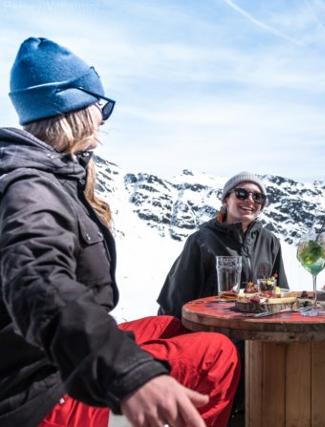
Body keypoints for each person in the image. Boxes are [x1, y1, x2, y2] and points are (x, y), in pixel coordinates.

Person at [0, 37, 240, 427]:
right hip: (39, 391)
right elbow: (37, 279)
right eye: (102, 106)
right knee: (215, 352)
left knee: (173, 326)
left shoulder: (44, 170)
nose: (104, 119)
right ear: (76, 108)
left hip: (43, 357)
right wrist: (131, 376)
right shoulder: (32, 185)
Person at [157, 171, 288, 317]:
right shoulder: (201, 241)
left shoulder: (270, 241)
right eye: (241, 194)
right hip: (213, 331)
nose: (250, 200)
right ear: (226, 200)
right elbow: (175, 300)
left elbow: (282, 294)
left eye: (258, 197)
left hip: (258, 332)